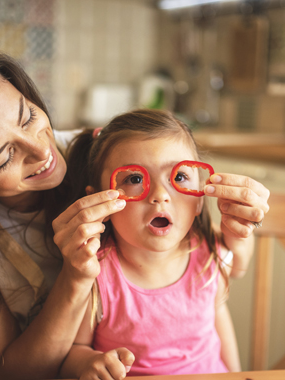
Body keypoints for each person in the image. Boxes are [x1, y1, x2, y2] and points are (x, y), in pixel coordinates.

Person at [0, 33, 268, 379]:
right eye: (3, 159)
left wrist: (242, 224)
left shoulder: (108, 155)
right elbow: (19, 372)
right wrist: (75, 279)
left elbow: (223, 270)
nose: (43, 151)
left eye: (28, 116)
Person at [58, 109, 268, 380]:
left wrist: (237, 374)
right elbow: (75, 349)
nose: (159, 196)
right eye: (134, 179)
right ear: (99, 203)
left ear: (200, 199)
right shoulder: (93, 273)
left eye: (179, 177)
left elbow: (234, 276)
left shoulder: (207, 251)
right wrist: (89, 362)